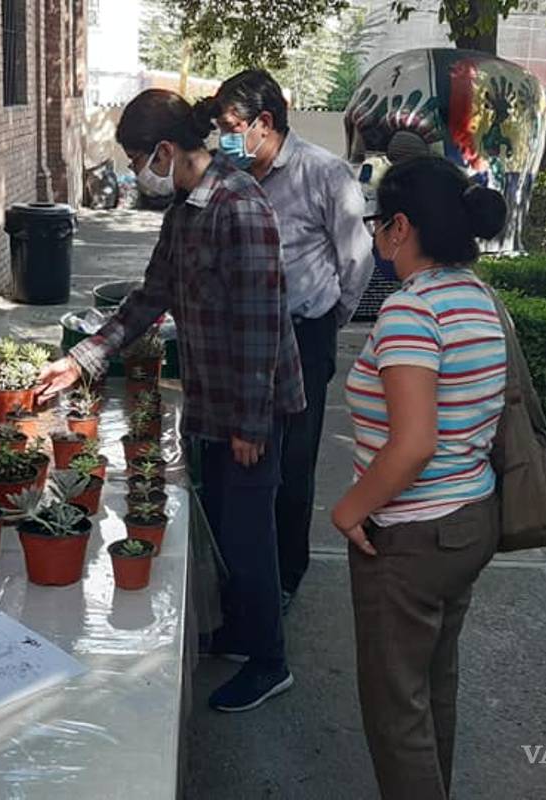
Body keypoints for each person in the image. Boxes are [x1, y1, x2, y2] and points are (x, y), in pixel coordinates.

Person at [37, 88, 305, 713]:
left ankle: (270, 661)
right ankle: (243, 631)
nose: (137, 174)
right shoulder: (187, 208)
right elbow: (148, 297)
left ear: (164, 149)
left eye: (136, 160)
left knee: (247, 536)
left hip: (250, 406)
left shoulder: (240, 206)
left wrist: (248, 422)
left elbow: (263, 321)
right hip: (214, 399)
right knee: (223, 525)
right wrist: (79, 360)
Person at [331, 157, 508, 799]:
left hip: (409, 537)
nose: (376, 238)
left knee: (395, 711)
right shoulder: (479, 297)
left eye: (379, 224)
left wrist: (347, 510)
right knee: (434, 687)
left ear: (401, 227)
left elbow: (411, 447)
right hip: (469, 523)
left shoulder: (411, 311)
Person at [209, 70, 375, 611]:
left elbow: (356, 261)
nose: (224, 139)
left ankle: (285, 573)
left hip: (304, 336)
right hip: (241, 339)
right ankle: (239, 569)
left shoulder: (325, 174)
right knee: (242, 454)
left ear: (264, 123)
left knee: (293, 460)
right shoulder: (229, 173)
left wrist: (326, 323)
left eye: (231, 127)